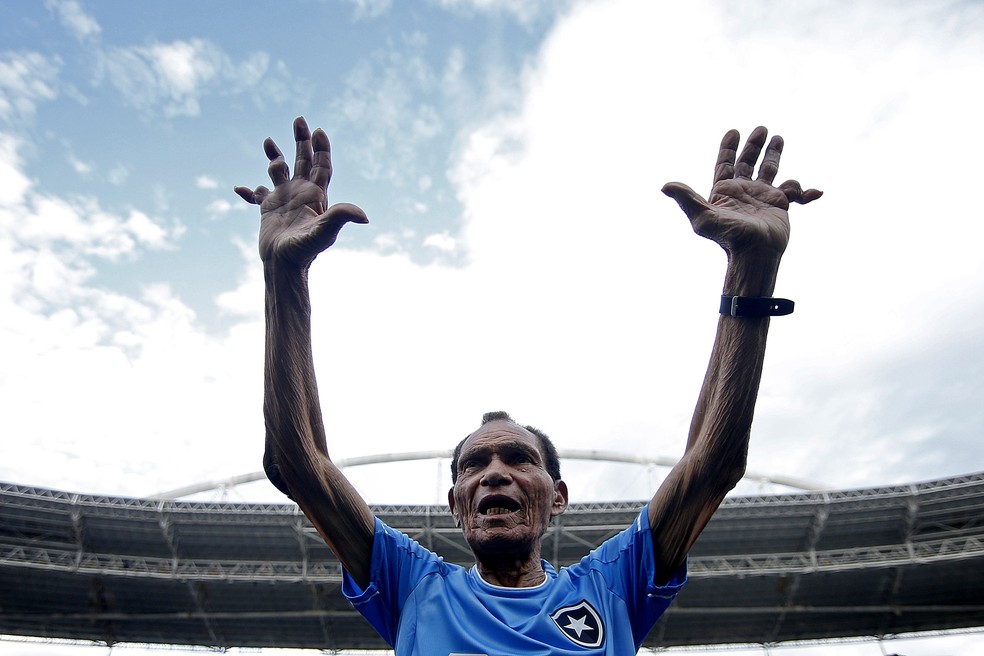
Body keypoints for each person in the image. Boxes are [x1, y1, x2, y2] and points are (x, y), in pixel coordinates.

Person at [234, 117, 821, 655]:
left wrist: (752, 268)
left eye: (519, 458)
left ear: (557, 497)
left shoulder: (610, 586)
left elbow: (710, 466)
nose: (493, 472)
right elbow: (296, 463)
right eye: (472, 466)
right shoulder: (413, 586)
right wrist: (284, 275)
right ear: (456, 505)